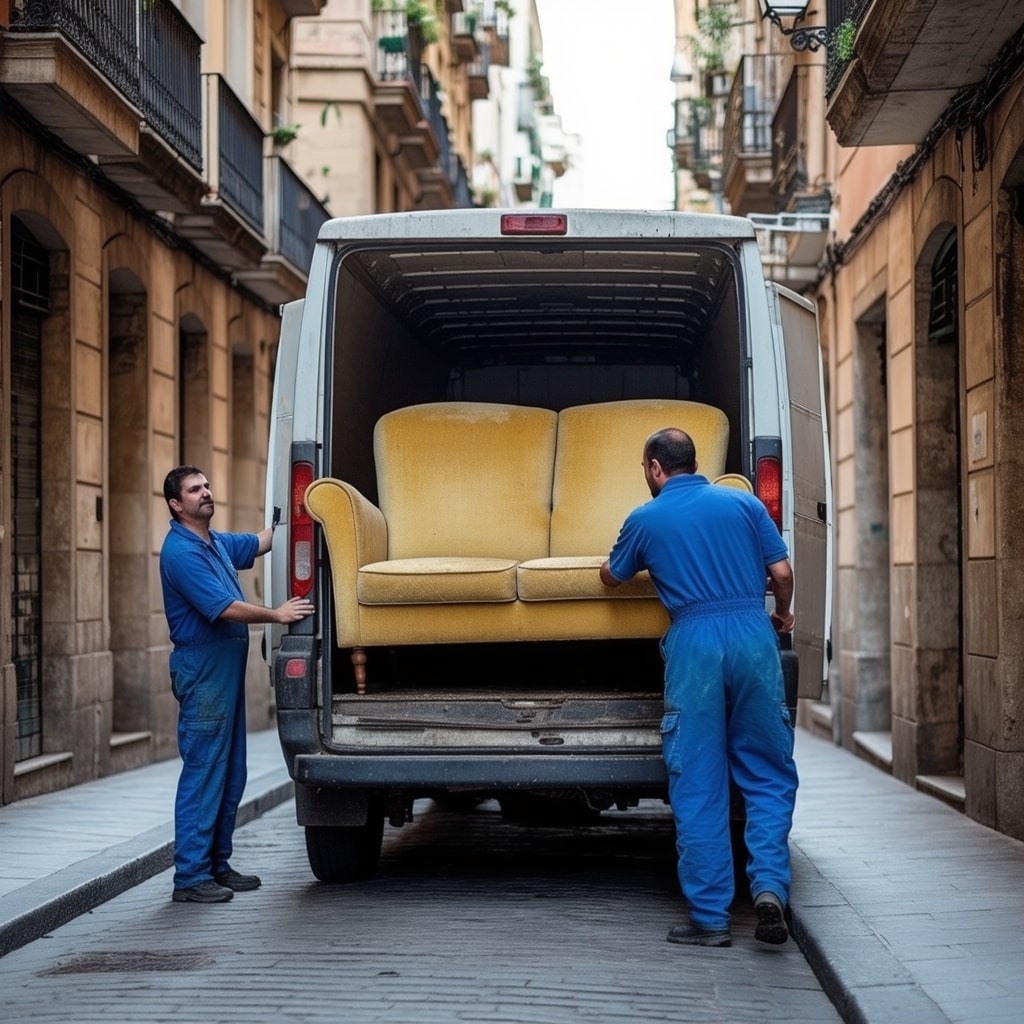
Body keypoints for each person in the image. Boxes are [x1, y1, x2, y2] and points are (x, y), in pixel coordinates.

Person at [599, 428, 797, 948]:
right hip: (753, 638)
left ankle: (711, 919)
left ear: (655, 468)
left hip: (695, 646)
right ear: (693, 460)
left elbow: (611, 576)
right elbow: (781, 572)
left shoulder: (646, 518)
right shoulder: (744, 503)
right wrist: (782, 614)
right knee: (768, 774)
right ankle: (769, 888)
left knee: (700, 782)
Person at [160, 466, 314, 904]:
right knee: (205, 770)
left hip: (223, 674)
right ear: (176, 504)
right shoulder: (181, 552)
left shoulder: (214, 542)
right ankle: (190, 877)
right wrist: (277, 614)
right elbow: (225, 607)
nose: (206, 492)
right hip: (203, 672)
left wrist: (299, 506)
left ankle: (216, 865)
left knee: (231, 771)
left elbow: (262, 541)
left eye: (207, 485)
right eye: (195, 489)